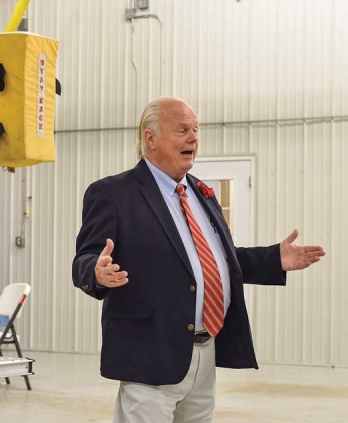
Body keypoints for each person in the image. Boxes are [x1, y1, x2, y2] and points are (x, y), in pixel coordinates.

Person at [71, 97, 325, 423]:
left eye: (195, 130)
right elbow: (85, 257)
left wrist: (274, 258)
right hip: (150, 354)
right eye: (182, 130)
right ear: (150, 138)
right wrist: (95, 271)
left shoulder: (201, 192)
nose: (193, 138)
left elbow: (218, 260)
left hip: (204, 352)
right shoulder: (113, 193)